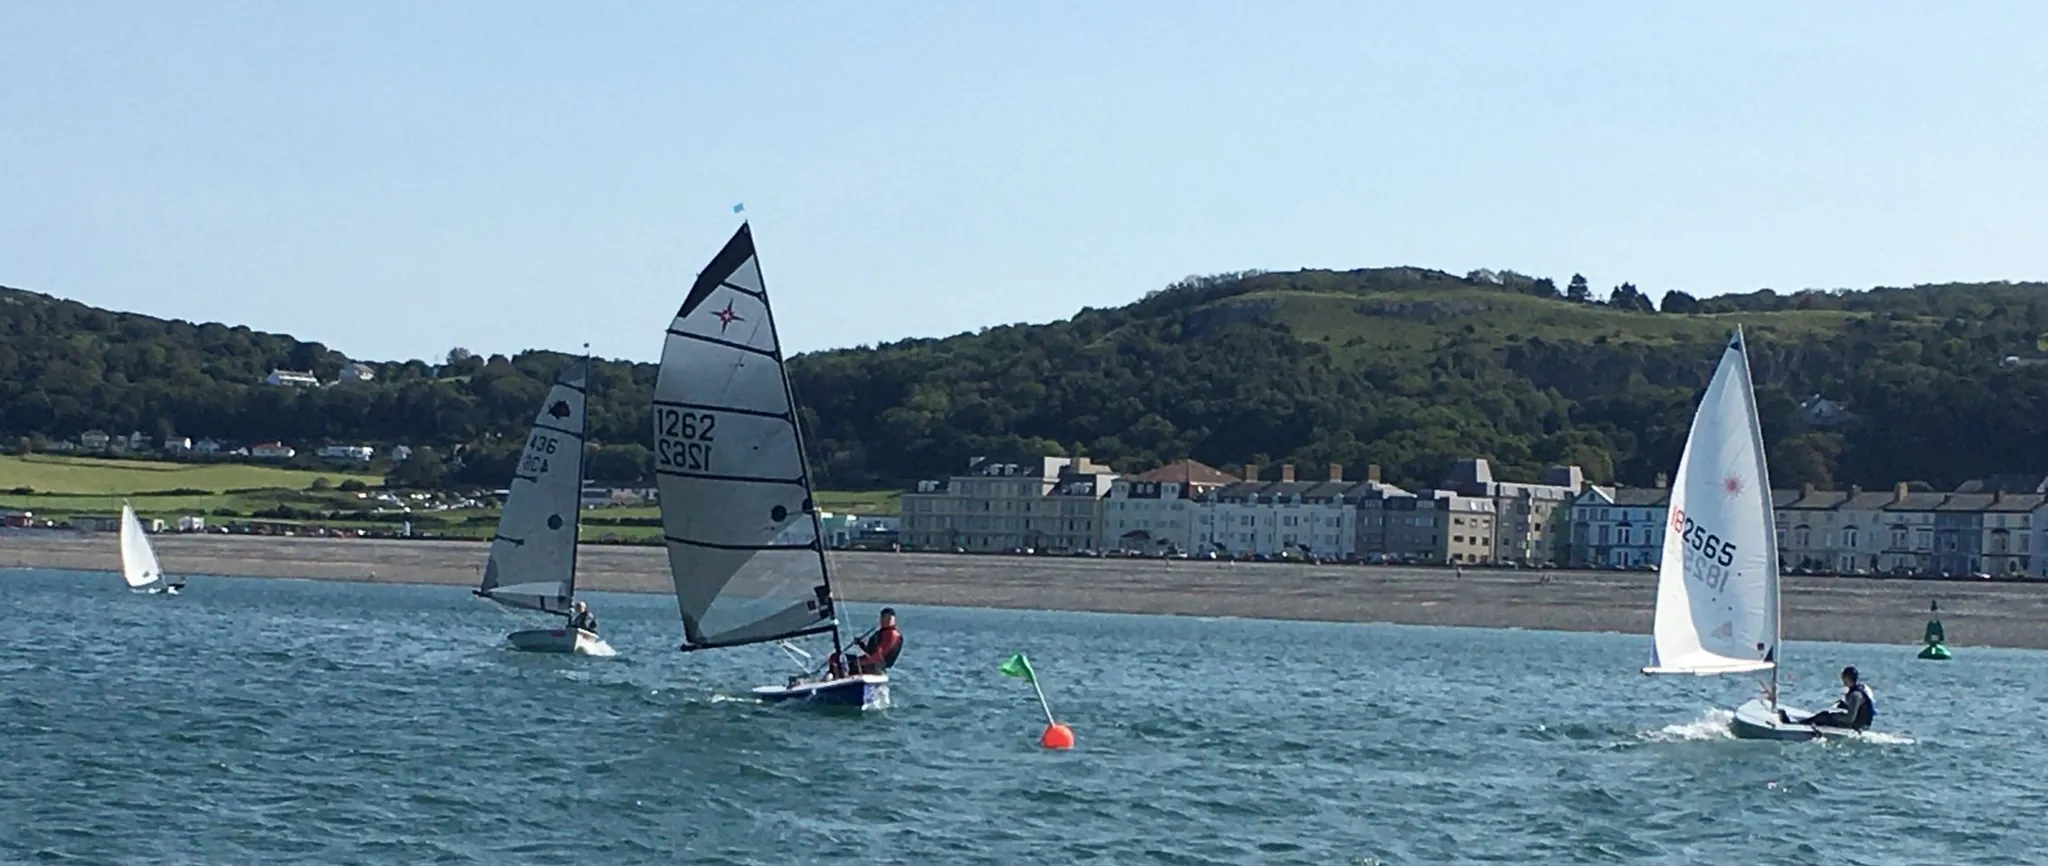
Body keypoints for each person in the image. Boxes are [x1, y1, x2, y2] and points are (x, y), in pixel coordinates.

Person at [1782, 666, 1875, 730]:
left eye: (1843, 678)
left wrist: (1834, 717)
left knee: (1824, 716)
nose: (1842, 680)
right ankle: (1800, 722)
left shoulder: (1855, 695)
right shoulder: (1859, 690)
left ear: (1847, 678)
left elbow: (1850, 719)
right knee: (1825, 715)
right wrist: (1843, 706)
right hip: (1861, 724)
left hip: (1857, 726)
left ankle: (1794, 724)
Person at [840, 608, 904, 675]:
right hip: (871, 662)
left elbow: (879, 655)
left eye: (884, 617)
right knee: (837, 657)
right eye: (882, 617)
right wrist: (860, 643)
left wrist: (859, 662)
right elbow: (871, 651)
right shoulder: (881, 633)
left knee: (845, 662)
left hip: (875, 666)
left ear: (891, 619)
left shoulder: (893, 635)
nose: (881, 620)